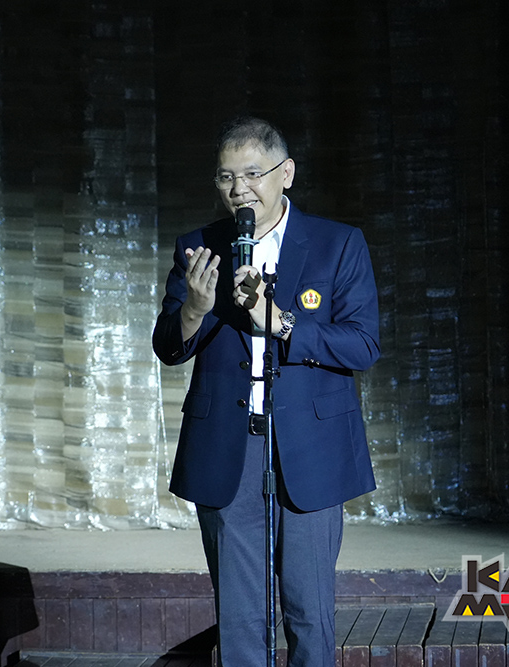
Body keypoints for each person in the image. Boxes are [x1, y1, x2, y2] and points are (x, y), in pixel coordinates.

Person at [153, 116, 380, 666]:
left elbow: (362, 345)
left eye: (252, 174)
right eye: (226, 177)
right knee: (240, 616)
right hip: (230, 444)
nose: (239, 190)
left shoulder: (336, 244)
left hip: (309, 445)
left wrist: (279, 322)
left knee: (309, 611)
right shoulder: (199, 247)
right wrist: (194, 310)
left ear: (287, 174)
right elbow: (169, 346)